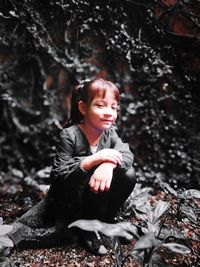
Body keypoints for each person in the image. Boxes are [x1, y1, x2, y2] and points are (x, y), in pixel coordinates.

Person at [46, 77, 135, 255]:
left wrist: (108, 164)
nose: (109, 112)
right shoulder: (69, 135)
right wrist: (94, 160)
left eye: (113, 107)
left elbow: (126, 154)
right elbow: (58, 174)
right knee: (90, 173)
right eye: (101, 106)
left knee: (129, 174)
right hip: (73, 198)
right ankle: (86, 227)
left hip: (97, 194)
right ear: (83, 108)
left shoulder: (110, 133)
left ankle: (108, 220)